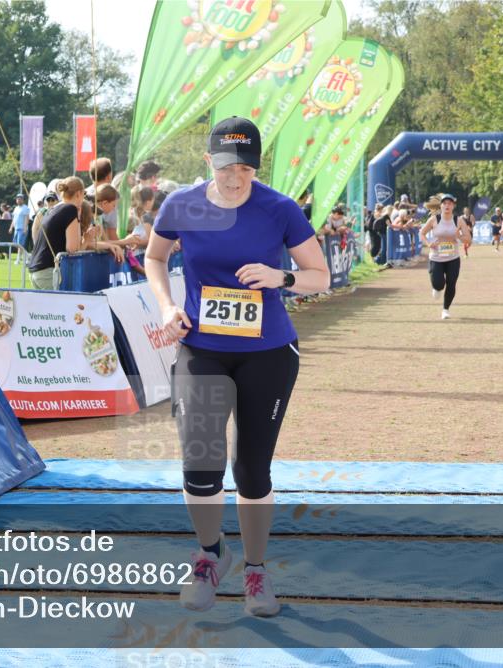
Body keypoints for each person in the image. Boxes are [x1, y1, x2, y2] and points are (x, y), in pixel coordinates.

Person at [144, 117, 330, 617]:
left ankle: (255, 570)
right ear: (209, 162)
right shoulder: (182, 203)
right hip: (203, 347)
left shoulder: (279, 208)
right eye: (226, 167)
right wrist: (166, 307)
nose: (234, 178)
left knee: (251, 468)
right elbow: (155, 258)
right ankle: (210, 555)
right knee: (199, 463)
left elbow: (320, 275)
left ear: (257, 167)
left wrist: (280, 275)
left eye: (245, 168)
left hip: (267, 353)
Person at [26, 177, 123, 290]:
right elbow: (73, 250)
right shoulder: (71, 209)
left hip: (36, 271)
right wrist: (86, 239)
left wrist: (109, 245)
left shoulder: (55, 208)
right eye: (84, 194)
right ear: (78, 194)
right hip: (48, 272)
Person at [421, 193, 470, 320]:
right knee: (438, 284)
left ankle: (445, 309)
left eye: (450, 203)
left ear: (453, 206)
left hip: (453, 258)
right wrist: (428, 243)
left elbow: (468, 239)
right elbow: (422, 233)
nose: (447, 205)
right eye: (445, 203)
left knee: (451, 283)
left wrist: (458, 236)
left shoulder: (458, 220)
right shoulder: (434, 219)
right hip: (436, 258)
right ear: (441, 206)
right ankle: (436, 288)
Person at [9, 194, 31, 263]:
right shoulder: (16, 208)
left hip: (22, 229)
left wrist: (25, 228)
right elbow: (14, 219)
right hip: (16, 229)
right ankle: (28, 256)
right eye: (17, 199)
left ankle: (18, 259)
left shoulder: (25, 208)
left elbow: (26, 219)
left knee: (19, 245)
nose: (18, 200)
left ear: (23, 200)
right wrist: (11, 227)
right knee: (16, 244)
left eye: (20, 198)